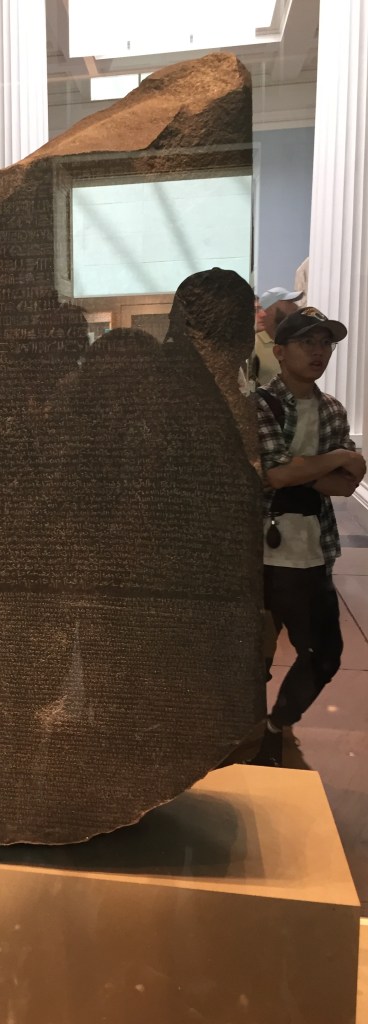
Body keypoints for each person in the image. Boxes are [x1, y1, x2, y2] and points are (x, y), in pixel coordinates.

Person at [249, 307, 366, 766]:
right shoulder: (260, 404)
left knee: (324, 654)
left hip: (314, 550)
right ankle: (247, 736)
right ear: (280, 351)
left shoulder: (332, 408)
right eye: (307, 342)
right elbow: (275, 474)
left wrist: (299, 471)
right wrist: (333, 458)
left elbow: (347, 483)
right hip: (258, 552)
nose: (319, 352)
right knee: (252, 658)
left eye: (325, 343)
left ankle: (277, 724)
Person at [253, 286, 304, 385]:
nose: (295, 306)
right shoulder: (253, 344)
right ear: (271, 308)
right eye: (289, 301)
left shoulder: (293, 342)